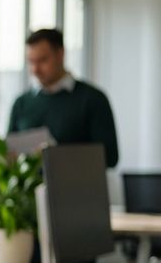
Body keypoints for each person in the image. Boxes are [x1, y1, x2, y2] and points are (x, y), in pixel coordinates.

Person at [8, 28, 119, 168]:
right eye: (31, 62)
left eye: (42, 60)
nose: (35, 70)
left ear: (60, 54)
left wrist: (57, 154)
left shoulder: (93, 99)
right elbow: (8, 152)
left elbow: (110, 157)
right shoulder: (21, 103)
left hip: (77, 188)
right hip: (28, 189)